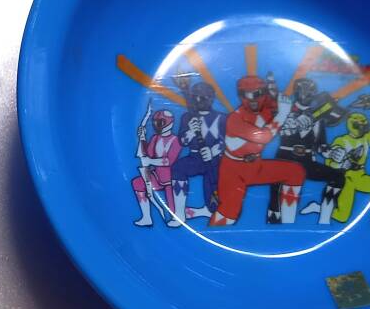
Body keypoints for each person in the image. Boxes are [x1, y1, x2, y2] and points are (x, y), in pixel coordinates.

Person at [209, 75, 305, 226]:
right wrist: (282, 115)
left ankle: (288, 225)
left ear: (264, 93)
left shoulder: (267, 106)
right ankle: (212, 235)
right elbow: (263, 137)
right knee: (228, 212)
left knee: (295, 172)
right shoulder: (235, 119)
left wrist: (299, 117)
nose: (252, 99)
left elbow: (291, 108)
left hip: (255, 166)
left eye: (257, 93)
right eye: (246, 94)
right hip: (233, 171)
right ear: (240, 95)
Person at [264, 77, 346, 225]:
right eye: (302, 90)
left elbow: (321, 146)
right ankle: (274, 222)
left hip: (307, 162)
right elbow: (269, 132)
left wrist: (332, 153)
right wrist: (286, 122)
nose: (305, 94)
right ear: (296, 92)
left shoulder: (318, 117)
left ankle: (324, 220)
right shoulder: (284, 110)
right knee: (276, 200)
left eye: (309, 91)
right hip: (285, 159)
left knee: (338, 177)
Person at [320, 97, 370, 226]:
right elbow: (329, 163)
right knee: (342, 217)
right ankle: (317, 208)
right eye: (359, 124)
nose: (363, 126)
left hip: (360, 176)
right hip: (345, 179)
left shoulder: (367, 139)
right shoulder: (341, 140)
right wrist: (340, 164)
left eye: (364, 123)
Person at [170, 82, 226, 226]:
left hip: (216, 161)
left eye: (204, 97)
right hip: (195, 157)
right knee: (178, 168)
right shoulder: (187, 117)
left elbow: (227, 141)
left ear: (211, 98)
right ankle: (179, 214)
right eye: (197, 97)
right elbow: (183, 141)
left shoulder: (222, 118)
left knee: (213, 195)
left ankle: (208, 210)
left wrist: (213, 151)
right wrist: (190, 131)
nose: (200, 101)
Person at [130, 108, 181, 227]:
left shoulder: (176, 140)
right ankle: (147, 217)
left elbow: (169, 160)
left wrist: (150, 161)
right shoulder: (155, 138)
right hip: (156, 176)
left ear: (170, 123)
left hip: (171, 180)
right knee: (138, 183)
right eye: (156, 122)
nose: (157, 125)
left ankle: (190, 214)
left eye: (161, 122)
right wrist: (142, 138)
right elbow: (147, 154)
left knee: (173, 210)